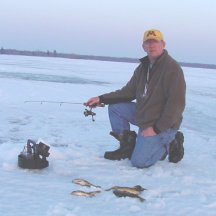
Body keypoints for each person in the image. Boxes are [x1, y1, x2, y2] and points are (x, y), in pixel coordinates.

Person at [85, 29, 186, 168]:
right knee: (116, 108)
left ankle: (171, 143)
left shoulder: (172, 69)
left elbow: (176, 106)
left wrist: (155, 129)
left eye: (155, 42)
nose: (151, 45)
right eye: (148, 42)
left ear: (163, 44)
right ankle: (127, 146)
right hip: (145, 115)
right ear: (143, 46)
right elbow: (128, 92)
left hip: (163, 124)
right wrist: (101, 99)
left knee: (139, 162)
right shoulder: (143, 68)